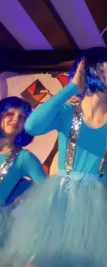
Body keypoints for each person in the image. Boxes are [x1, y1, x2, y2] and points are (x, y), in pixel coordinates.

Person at [1, 47, 107, 267]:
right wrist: (72, 87)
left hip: (96, 205)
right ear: (91, 69)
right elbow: (33, 126)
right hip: (59, 200)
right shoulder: (68, 112)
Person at [0, 97, 45, 247]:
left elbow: (47, 191)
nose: (15, 120)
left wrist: (19, 198)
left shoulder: (24, 158)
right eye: (10, 114)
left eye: (22, 117)